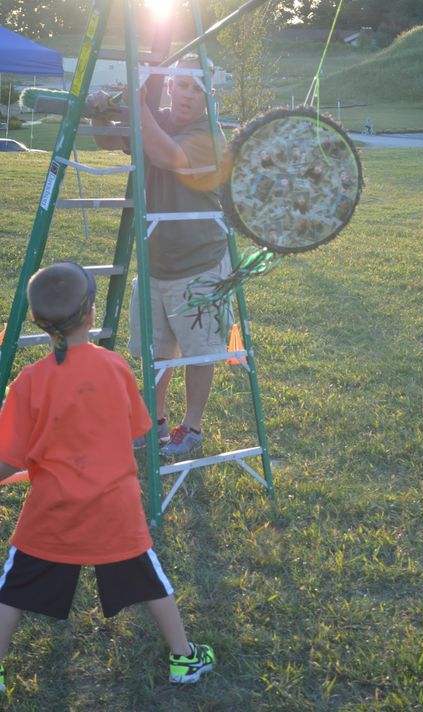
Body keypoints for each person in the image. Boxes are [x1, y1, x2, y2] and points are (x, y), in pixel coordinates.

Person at [0, 262, 215, 693]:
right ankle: (184, 657)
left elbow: (8, 460)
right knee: (152, 581)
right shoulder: (115, 368)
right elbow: (140, 431)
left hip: (52, 511)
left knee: (13, 588)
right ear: (91, 313)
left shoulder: (28, 382)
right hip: (114, 509)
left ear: (38, 322)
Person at [88, 53, 231, 458]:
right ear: (170, 85)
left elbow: (169, 156)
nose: (187, 94)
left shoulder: (210, 134)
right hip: (155, 262)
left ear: (209, 95)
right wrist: (103, 112)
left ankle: (193, 427)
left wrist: (135, 107)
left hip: (199, 264)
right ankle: (155, 422)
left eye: (197, 87)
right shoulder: (159, 118)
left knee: (199, 352)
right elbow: (107, 141)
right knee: (157, 351)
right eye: (181, 84)